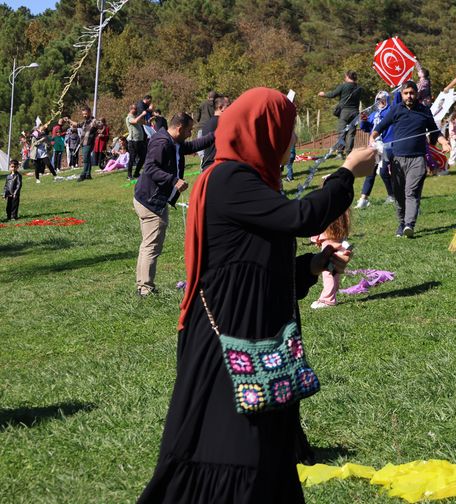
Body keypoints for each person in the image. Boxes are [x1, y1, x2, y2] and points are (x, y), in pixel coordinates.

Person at [138, 87, 376, 504]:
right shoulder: (230, 179)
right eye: (285, 133)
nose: (289, 144)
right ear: (261, 131)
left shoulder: (248, 181)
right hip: (227, 340)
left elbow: (258, 264)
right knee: (231, 450)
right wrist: (345, 174)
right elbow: (301, 218)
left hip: (249, 329)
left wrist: (312, 266)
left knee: (262, 452)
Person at [133, 113, 214, 297]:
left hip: (152, 200)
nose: (190, 133)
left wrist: (217, 135)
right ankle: (145, 289)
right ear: (179, 128)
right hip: (150, 201)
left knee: (148, 244)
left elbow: (193, 146)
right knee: (151, 246)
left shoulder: (173, 142)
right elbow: (151, 168)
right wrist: (174, 180)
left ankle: (142, 285)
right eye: (188, 130)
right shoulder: (161, 142)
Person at [371, 80, 451, 237]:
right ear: (402, 94)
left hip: (417, 160)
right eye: (406, 93)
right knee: (399, 194)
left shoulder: (424, 111)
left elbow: (435, 131)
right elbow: (379, 128)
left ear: (417, 94)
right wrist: (372, 139)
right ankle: (401, 223)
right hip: (398, 160)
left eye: (412, 93)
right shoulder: (395, 110)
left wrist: (444, 143)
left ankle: (409, 225)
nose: (409, 96)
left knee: (411, 192)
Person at [356, 90, 395, 209]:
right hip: (374, 145)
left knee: (383, 172)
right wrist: (363, 120)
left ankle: (392, 195)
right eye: (378, 100)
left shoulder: (390, 111)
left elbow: (387, 123)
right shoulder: (374, 114)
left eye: (382, 99)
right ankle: (364, 199)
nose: (380, 102)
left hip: (386, 145)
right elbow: (368, 128)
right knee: (370, 171)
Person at [310, 210, 351, 309]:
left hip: (328, 238)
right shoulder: (340, 206)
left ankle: (328, 299)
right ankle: (332, 294)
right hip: (336, 236)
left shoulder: (327, 206)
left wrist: (316, 238)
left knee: (328, 271)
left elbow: (319, 218)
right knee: (334, 269)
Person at [318, 70, 362, 158]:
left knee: (342, 132)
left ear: (348, 77)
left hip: (345, 112)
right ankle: (349, 153)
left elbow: (333, 94)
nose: (344, 78)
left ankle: (340, 152)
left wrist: (323, 94)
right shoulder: (359, 88)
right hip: (355, 112)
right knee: (351, 133)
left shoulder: (343, 86)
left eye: (345, 76)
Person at [201, 95, 230, 171]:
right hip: (217, 167)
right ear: (220, 108)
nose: (231, 108)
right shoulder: (222, 123)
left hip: (208, 167)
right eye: (228, 106)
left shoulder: (208, 123)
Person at [75, 106, 100, 181]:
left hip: (89, 142)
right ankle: (88, 175)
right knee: (87, 158)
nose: (84, 115)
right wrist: (68, 120)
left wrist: (97, 129)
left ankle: (83, 175)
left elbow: (101, 125)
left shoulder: (93, 121)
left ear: (89, 112)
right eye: (83, 114)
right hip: (83, 142)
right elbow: (77, 124)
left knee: (85, 159)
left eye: (85, 114)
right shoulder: (85, 122)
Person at [126, 103, 148, 179]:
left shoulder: (135, 117)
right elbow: (135, 121)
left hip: (139, 141)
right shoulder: (129, 117)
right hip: (133, 141)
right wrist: (142, 114)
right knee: (132, 158)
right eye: (135, 109)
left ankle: (136, 173)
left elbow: (142, 122)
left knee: (143, 157)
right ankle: (129, 175)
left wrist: (147, 120)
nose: (136, 110)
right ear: (131, 109)